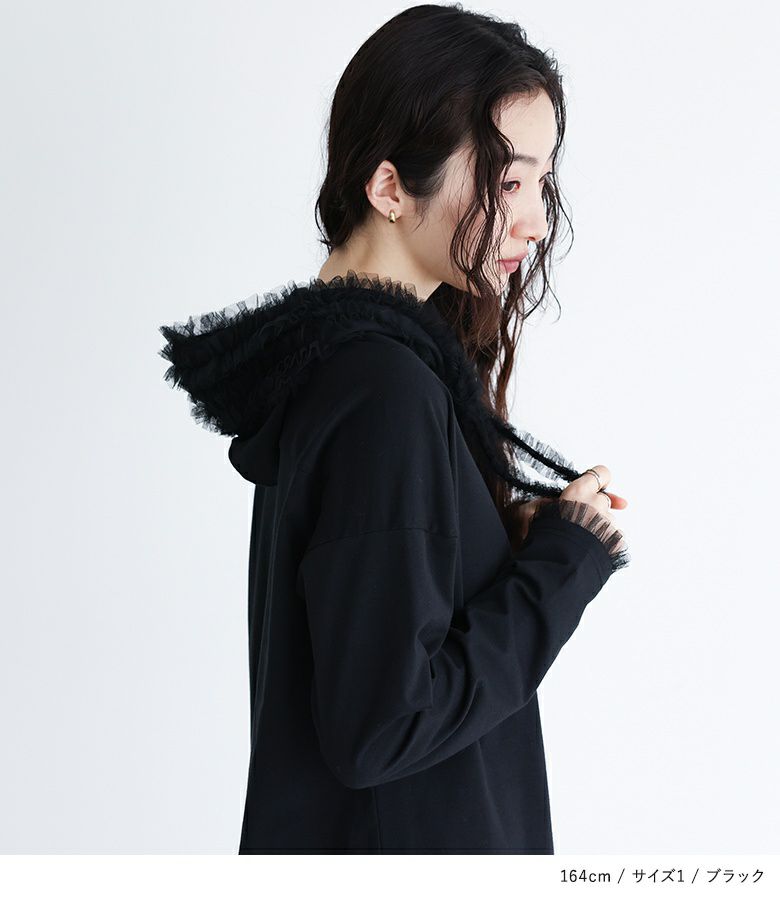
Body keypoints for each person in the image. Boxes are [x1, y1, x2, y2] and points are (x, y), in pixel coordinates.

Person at [159, 3, 631, 854]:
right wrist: (564, 565)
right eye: (508, 180)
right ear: (388, 188)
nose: (534, 219)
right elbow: (385, 728)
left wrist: (500, 543)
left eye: (542, 182)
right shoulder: (381, 391)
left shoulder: (345, 368)